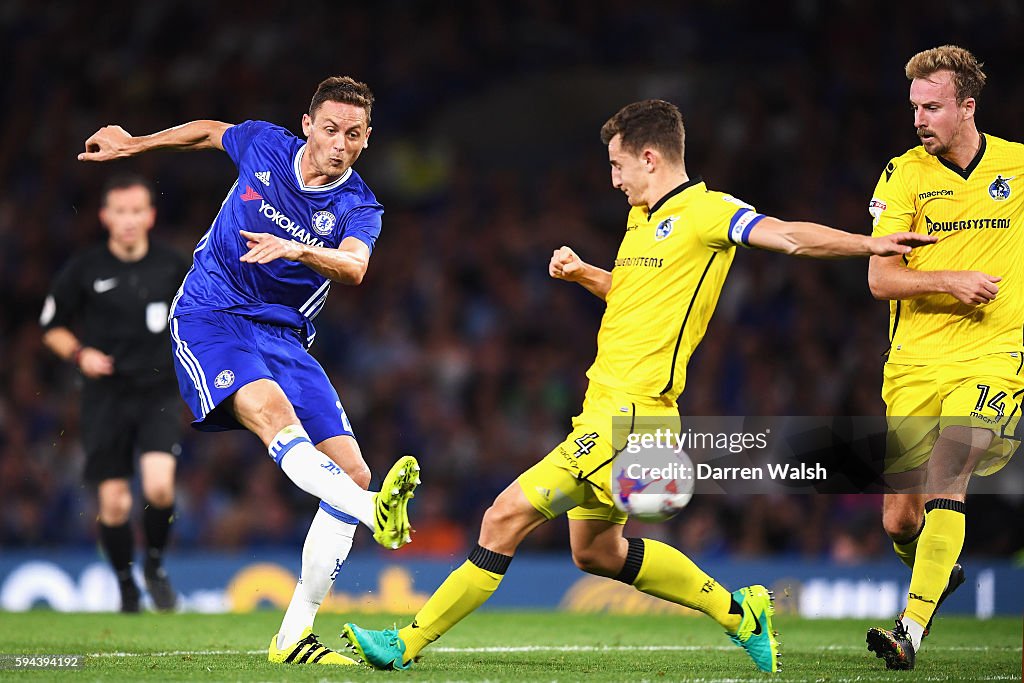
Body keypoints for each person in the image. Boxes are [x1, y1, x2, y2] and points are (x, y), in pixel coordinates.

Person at [341, 99, 933, 674]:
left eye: (618, 165)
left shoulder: (709, 213)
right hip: (600, 407)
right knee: (595, 552)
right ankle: (740, 614)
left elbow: (789, 237)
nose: (614, 179)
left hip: (632, 417)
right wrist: (584, 274)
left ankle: (406, 644)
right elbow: (633, 298)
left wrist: (870, 244)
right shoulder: (640, 219)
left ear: (650, 158)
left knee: (502, 517)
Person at [78, 76, 421, 667]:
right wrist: (136, 145)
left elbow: (355, 267)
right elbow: (211, 133)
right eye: (332, 129)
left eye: (355, 135)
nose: (340, 143)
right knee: (275, 416)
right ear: (308, 124)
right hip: (213, 315)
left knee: (354, 470)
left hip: (285, 336)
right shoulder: (265, 144)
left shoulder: (358, 205)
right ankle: (371, 512)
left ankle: (292, 638)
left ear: (367, 141)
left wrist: (299, 251)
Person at [864, 45, 1024, 671]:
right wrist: (951, 280)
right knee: (900, 518)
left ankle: (911, 627)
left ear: (967, 107)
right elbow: (881, 280)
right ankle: (938, 569)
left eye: (932, 107)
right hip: (913, 362)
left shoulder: (1017, 166)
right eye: (914, 108)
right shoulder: (903, 176)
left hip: (995, 356)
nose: (919, 120)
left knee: (947, 479)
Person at [41, 174, 189, 613]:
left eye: (136, 211)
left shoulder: (172, 265)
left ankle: (155, 567)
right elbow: (51, 327)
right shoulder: (85, 269)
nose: (128, 220)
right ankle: (125, 583)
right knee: (115, 503)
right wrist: (80, 353)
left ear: (150, 215)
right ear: (106, 217)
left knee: (161, 488)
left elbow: (198, 314)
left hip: (158, 390)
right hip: (105, 396)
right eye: (120, 212)